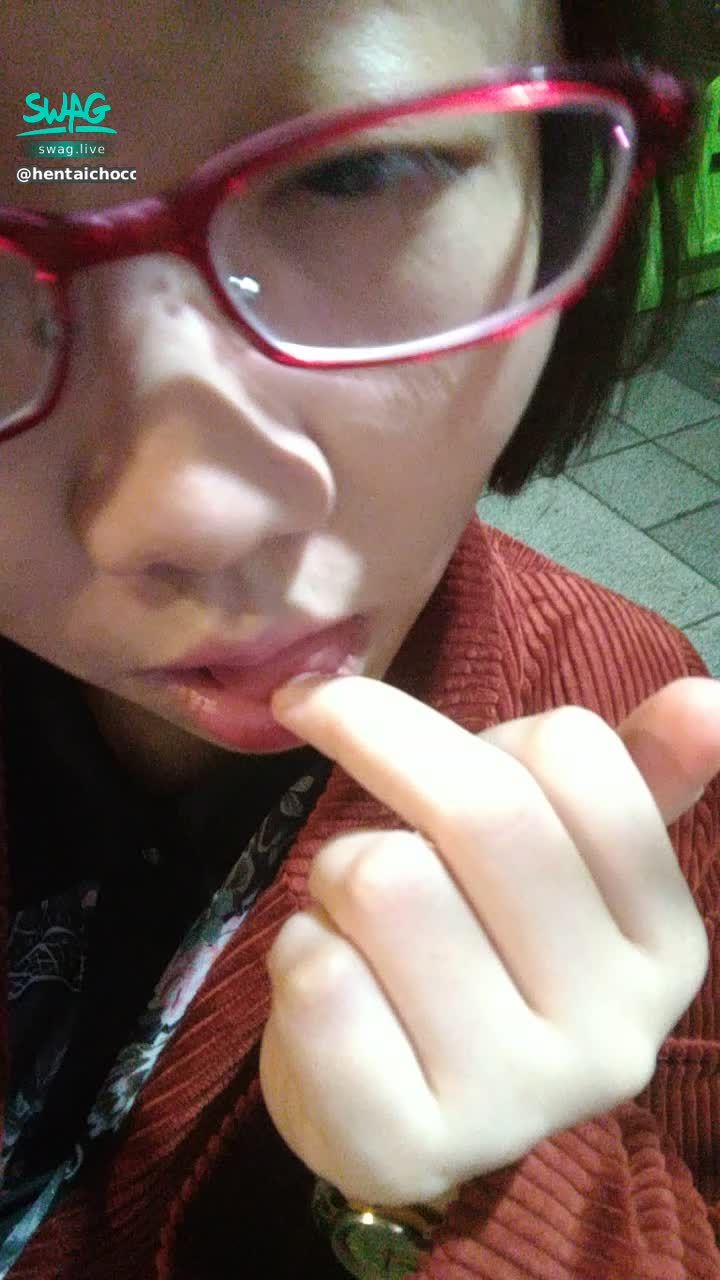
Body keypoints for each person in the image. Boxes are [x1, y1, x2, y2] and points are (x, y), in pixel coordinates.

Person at [0, 1, 718, 1277]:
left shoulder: (638, 749)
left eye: (357, 174)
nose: (192, 515)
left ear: (564, 178)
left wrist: (473, 1200)